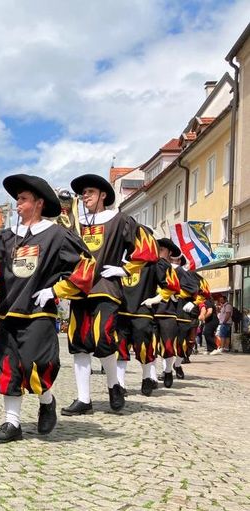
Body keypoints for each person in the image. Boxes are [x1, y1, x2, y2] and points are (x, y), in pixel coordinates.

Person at [0, 175, 95, 443]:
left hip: (38, 313)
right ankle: (12, 423)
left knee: (36, 364)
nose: (17, 204)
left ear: (38, 203)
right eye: (17, 199)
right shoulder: (8, 237)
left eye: (22, 199)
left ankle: (47, 400)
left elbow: (87, 267)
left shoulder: (57, 235)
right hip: (8, 312)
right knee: (8, 366)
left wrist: (56, 290)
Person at [62, 174, 158, 416]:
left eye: (90, 192)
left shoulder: (120, 220)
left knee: (103, 338)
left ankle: (114, 384)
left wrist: (125, 268)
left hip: (106, 288)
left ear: (103, 195)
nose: (85, 197)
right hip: (80, 290)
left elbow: (147, 249)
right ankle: (84, 399)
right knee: (79, 344)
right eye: (82, 193)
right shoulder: (76, 224)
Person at [112, 227, 160, 397]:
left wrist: (156, 299)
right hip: (121, 310)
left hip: (142, 312)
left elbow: (169, 283)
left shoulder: (152, 263)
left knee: (144, 347)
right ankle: (120, 384)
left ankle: (147, 377)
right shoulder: (116, 259)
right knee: (120, 348)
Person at [142, 239, 182, 388]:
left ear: (169, 252)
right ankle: (151, 377)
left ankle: (167, 371)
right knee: (150, 345)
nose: (158, 251)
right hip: (150, 311)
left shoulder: (173, 269)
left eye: (162, 249)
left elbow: (177, 289)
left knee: (168, 345)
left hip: (167, 311)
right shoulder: (149, 265)